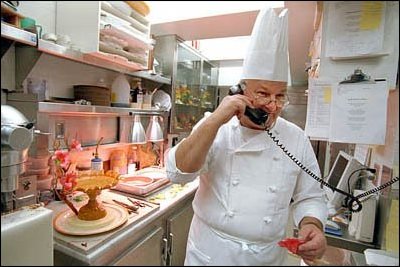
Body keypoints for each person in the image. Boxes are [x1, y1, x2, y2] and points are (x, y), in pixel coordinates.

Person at [166, 7, 328, 266]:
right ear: (240, 91)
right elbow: (177, 173)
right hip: (211, 254)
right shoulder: (215, 128)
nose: (273, 106)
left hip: (266, 258)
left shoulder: (295, 138)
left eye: (280, 95)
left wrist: (313, 224)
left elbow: (310, 196)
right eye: (263, 94)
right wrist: (217, 118)